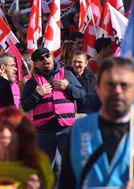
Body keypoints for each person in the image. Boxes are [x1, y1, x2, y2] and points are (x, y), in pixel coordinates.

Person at [59, 57, 134, 188]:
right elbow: (66, 182)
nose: (118, 91)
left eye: (124, 85)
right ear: (99, 89)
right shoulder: (80, 129)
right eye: (111, 84)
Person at [21, 48, 85, 178]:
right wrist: (37, 94)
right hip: (44, 133)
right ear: (36, 63)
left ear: (52, 57)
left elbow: (82, 94)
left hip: (66, 130)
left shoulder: (66, 75)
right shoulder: (32, 82)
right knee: (44, 171)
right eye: (41, 58)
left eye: (47, 55)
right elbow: (25, 106)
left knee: (69, 166)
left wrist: (68, 87)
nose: (45, 59)